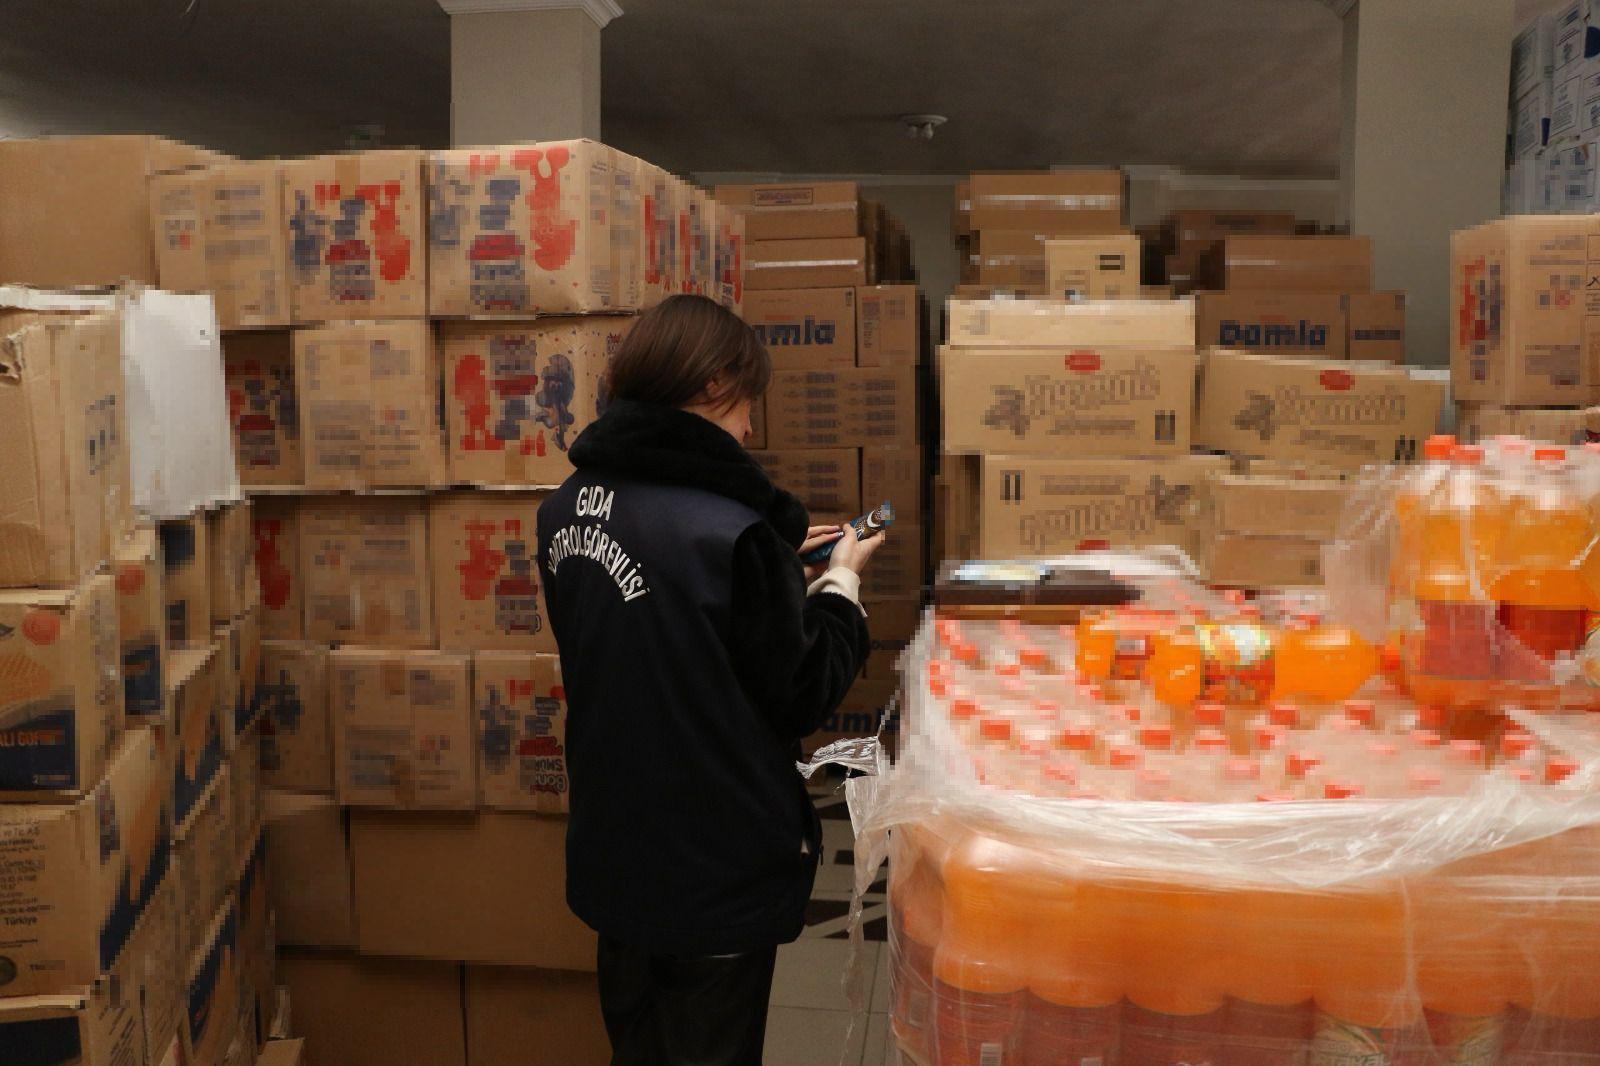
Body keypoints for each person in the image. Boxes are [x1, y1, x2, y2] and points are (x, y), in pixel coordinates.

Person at [535, 294, 882, 1065]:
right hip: (712, 863)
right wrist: (840, 585)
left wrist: (774, 579)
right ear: (713, 384)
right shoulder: (732, 532)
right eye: (748, 402)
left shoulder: (564, 510)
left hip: (616, 850)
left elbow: (659, 631)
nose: (751, 428)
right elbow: (803, 690)